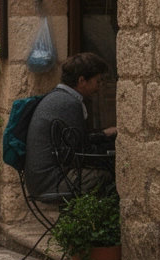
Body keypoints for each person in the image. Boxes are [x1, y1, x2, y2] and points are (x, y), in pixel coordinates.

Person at [24, 52, 117, 199]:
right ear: (82, 81)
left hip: (39, 182)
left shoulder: (58, 97)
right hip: (52, 182)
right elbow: (82, 153)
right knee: (106, 177)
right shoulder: (69, 103)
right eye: (97, 81)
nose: (99, 87)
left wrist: (103, 134)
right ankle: (93, 215)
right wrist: (112, 153)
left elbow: (76, 142)